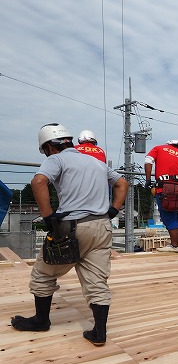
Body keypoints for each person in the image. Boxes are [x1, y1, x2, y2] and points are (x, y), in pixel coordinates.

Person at [11, 123, 128, 346]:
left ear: (48, 146)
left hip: (72, 227)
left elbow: (38, 182)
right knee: (96, 279)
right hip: (102, 226)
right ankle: (99, 332)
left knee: (43, 273)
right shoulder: (96, 162)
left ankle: (41, 320)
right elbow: (122, 183)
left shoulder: (56, 159)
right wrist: (113, 209)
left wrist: (48, 217)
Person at [144, 140, 178, 252]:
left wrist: (148, 179)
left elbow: (148, 160)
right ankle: (176, 243)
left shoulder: (159, 148)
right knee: (174, 215)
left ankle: (174, 245)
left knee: (167, 216)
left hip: (163, 188)